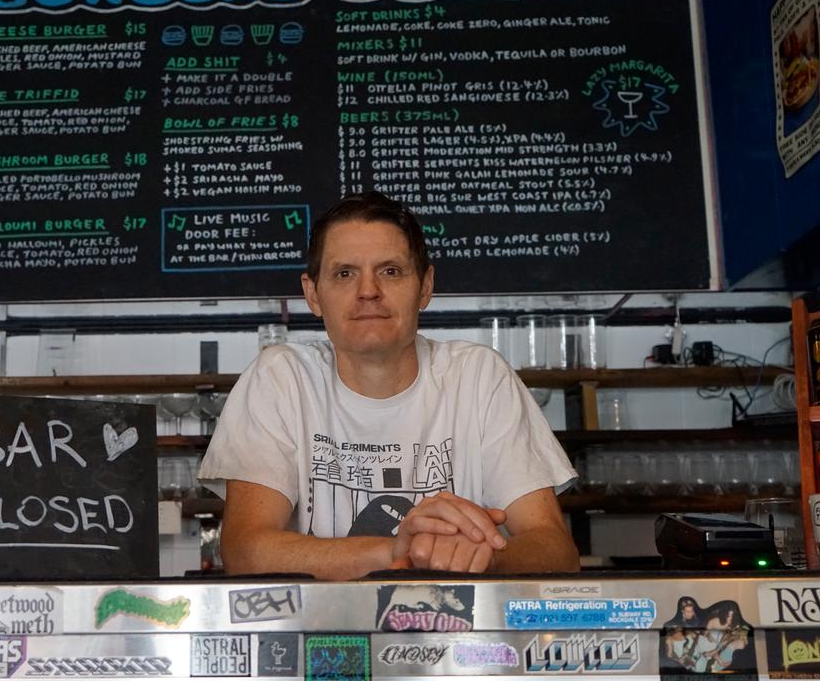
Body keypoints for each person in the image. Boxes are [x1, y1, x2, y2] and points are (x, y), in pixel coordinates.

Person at [198, 191, 579, 579]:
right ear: (313, 294)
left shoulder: (480, 376)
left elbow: (556, 550)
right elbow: (245, 552)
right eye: (344, 273)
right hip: (320, 619)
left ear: (425, 287)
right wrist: (401, 551)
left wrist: (483, 556)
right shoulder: (280, 378)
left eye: (391, 271)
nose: (368, 291)